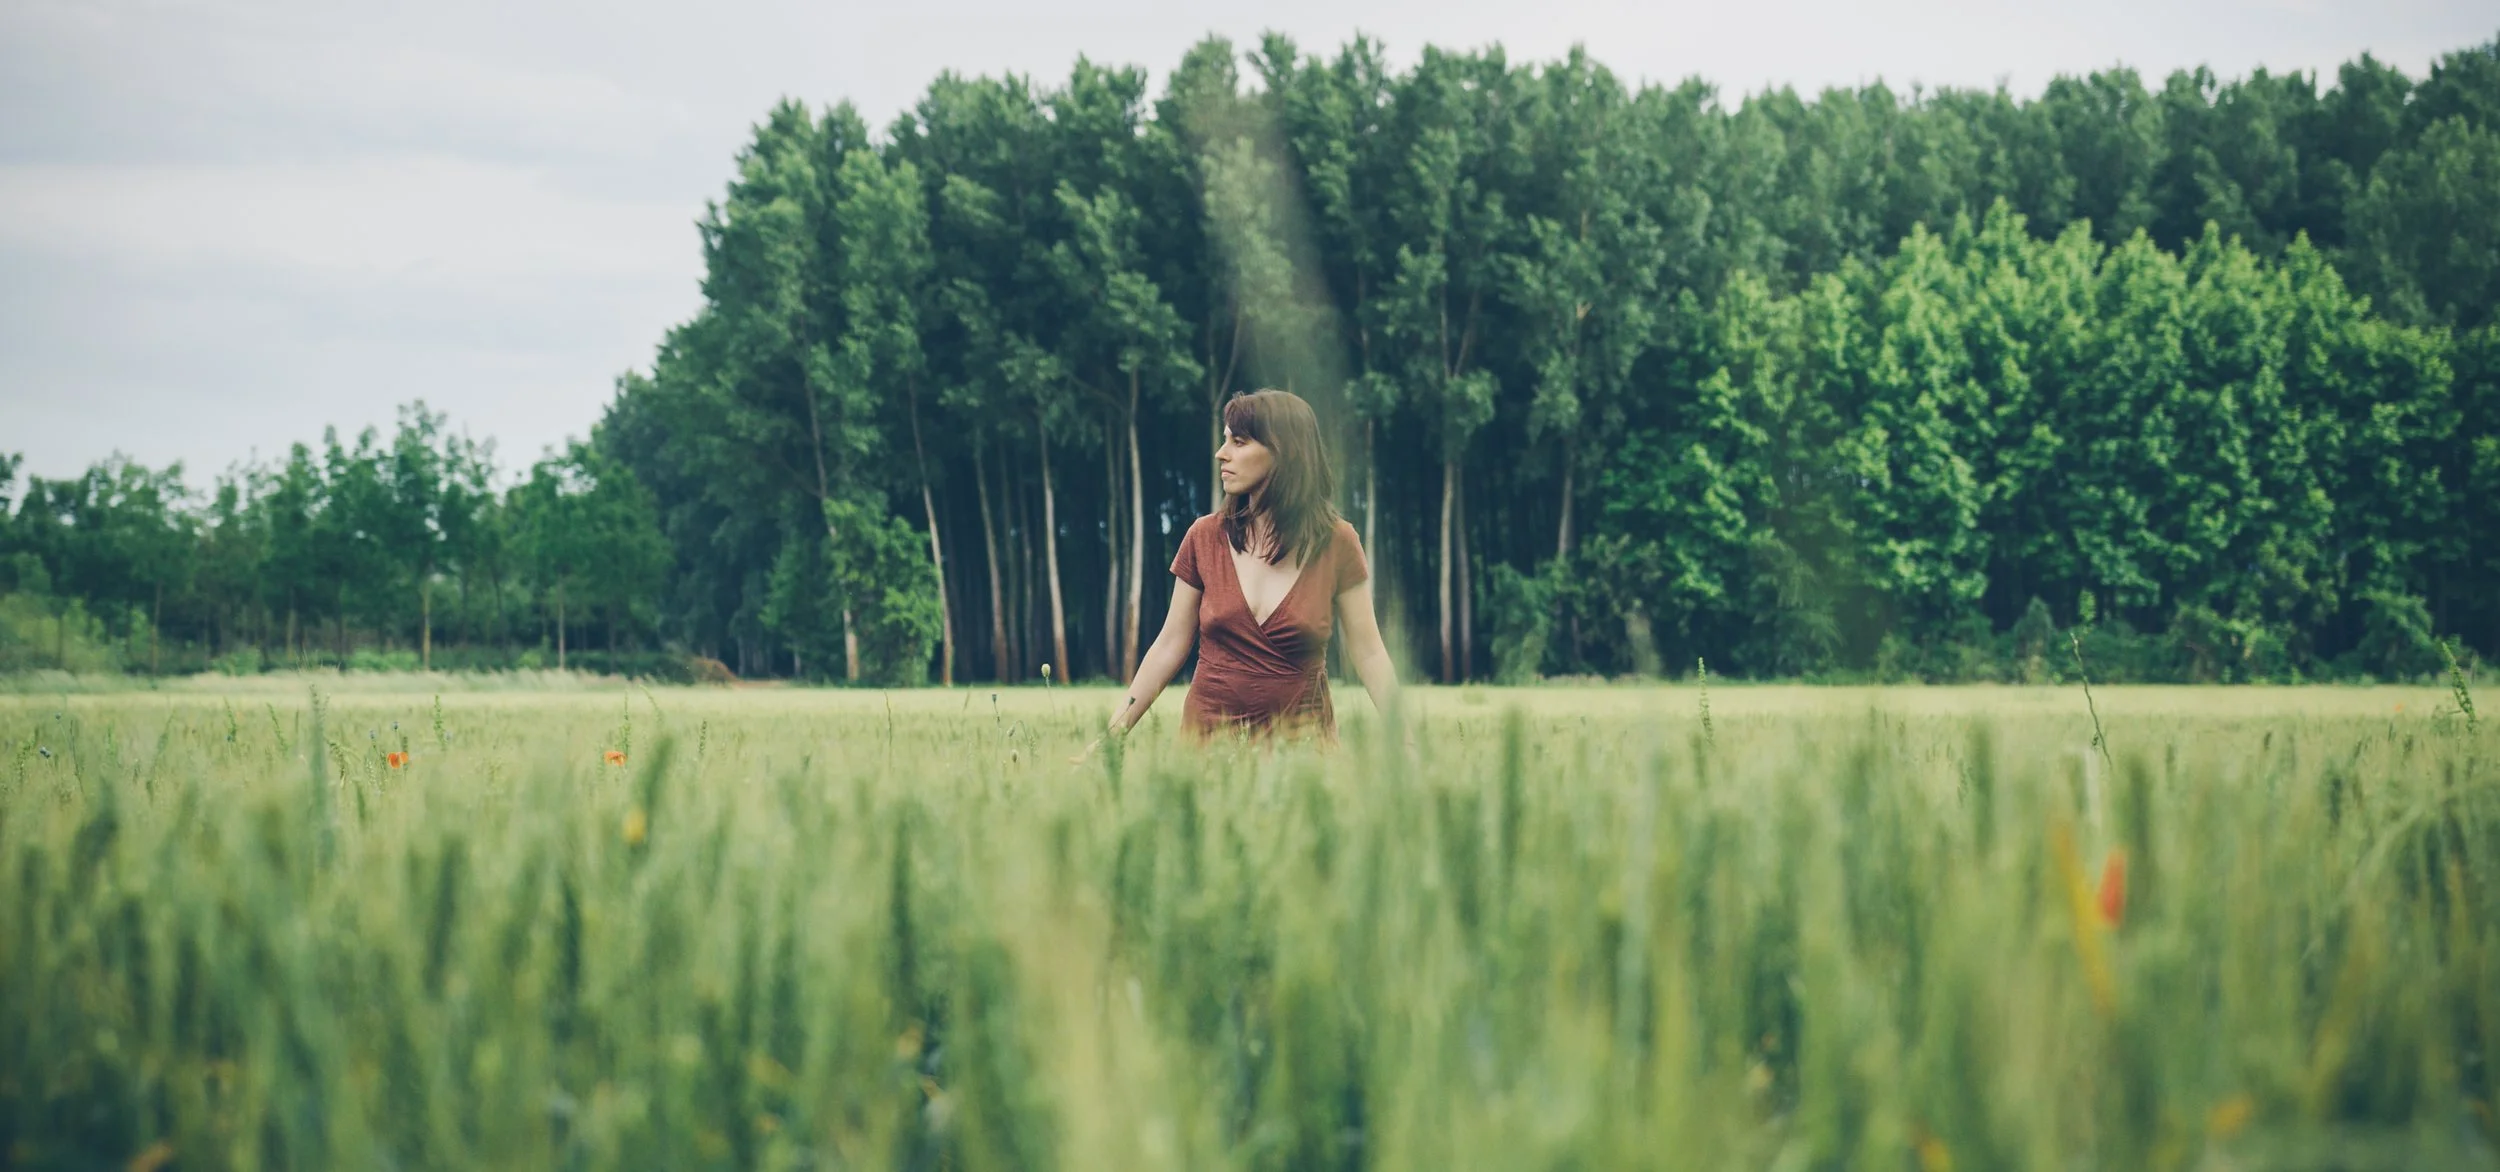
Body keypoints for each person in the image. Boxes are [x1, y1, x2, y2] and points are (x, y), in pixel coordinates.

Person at [1104, 388, 1400, 744]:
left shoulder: (1338, 542)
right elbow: (1169, 645)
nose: (1221, 453)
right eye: (1225, 439)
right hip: (1208, 749)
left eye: (1239, 442)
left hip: (1304, 751)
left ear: (1284, 451)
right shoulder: (1203, 536)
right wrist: (1110, 739)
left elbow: (1369, 653)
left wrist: (1407, 742)